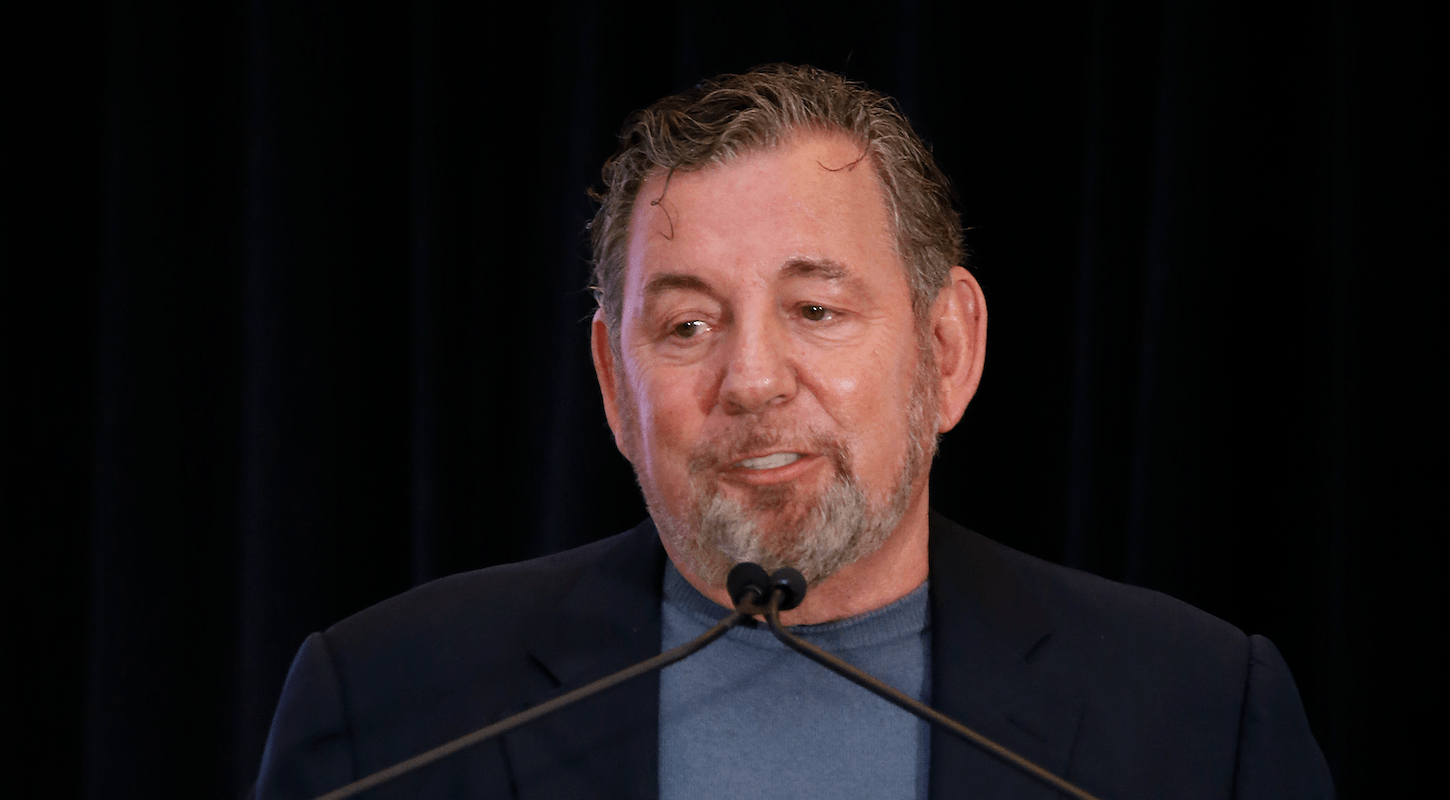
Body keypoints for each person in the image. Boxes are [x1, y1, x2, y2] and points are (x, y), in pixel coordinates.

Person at [253, 64, 1334, 799]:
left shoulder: (1201, 714)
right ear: (612, 384)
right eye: (686, 324)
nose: (753, 379)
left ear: (947, 347)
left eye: (815, 308)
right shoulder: (391, 705)